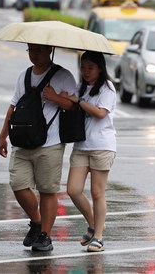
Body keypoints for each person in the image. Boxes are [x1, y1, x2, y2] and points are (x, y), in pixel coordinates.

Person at [0, 43, 76, 251]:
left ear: (50, 50)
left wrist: (55, 98)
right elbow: (13, 105)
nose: (35, 54)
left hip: (50, 143)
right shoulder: (23, 76)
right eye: (32, 50)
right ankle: (36, 221)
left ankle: (45, 236)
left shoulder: (63, 76)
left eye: (40, 50)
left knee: (47, 190)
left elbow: (72, 105)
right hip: (22, 141)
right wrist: (2, 135)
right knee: (18, 184)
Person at [61, 51, 116, 252]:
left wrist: (78, 102)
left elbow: (101, 113)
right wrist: (64, 99)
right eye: (83, 67)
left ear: (100, 68)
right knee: (73, 190)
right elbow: (71, 104)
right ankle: (94, 224)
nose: (85, 72)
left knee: (97, 192)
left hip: (102, 145)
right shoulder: (81, 87)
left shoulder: (107, 88)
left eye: (90, 68)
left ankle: (98, 238)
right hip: (82, 145)